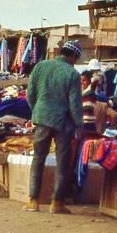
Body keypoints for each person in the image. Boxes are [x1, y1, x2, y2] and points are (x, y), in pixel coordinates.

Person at [24, 40, 84, 214]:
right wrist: (78, 124)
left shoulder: (41, 66)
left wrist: (37, 111)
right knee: (62, 162)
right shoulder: (72, 74)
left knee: (38, 158)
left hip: (42, 118)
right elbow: (75, 104)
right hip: (63, 123)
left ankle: (33, 201)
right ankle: (57, 203)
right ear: (73, 56)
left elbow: (30, 94)